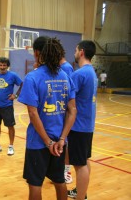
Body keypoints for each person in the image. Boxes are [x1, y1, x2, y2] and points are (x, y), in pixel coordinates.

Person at [18, 37, 76, 200]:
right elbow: (73, 110)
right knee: (60, 181)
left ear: (37, 53)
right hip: (60, 142)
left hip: (38, 142)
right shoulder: (65, 76)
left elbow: (32, 113)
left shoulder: (32, 77)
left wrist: (47, 141)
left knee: (36, 184)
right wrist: (62, 139)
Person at [67, 40, 97, 200]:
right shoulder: (91, 72)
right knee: (83, 161)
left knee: (79, 165)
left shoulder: (79, 74)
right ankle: (81, 191)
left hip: (79, 125)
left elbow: (68, 99)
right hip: (87, 124)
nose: (74, 52)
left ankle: (81, 197)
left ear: (82, 52)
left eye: (76, 50)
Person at [0, 57, 23, 156]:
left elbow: (22, 84)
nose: (2, 67)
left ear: (7, 66)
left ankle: (11, 146)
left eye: (4, 65)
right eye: (1, 65)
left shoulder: (13, 75)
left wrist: (15, 95)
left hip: (7, 106)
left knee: (10, 126)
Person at [59, 54, 74, 184]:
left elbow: (68, 91)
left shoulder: (66, 68)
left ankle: (67, 171)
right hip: (60, 111)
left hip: (65, 112)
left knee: (65, 142)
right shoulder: (61, 67)